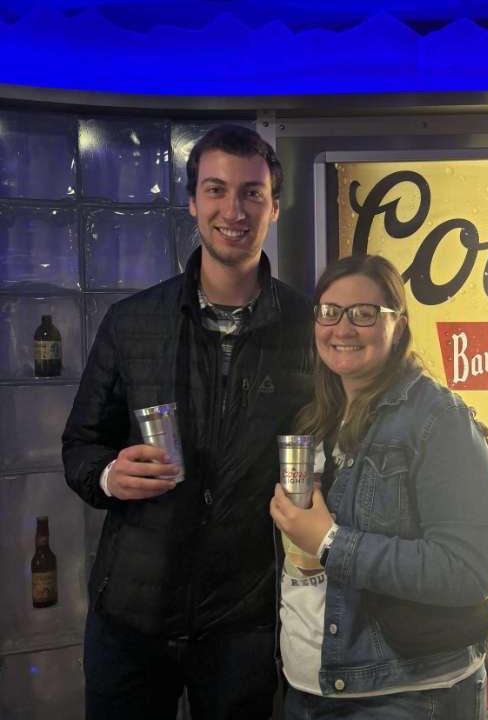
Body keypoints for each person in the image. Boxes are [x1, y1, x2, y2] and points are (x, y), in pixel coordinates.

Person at [62, 124, 313, 720]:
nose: (234, 210)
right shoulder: (132, 322)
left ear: (275, 206)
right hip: (131, 614)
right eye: (216, 190)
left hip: (243, 619)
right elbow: (80, 445)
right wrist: (108, 476)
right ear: (193, 202)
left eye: (252, 193)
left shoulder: (308, 328)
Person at [269, 254, 488, 720]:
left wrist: (330, 542)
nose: (343, 328)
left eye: (364, 313)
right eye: (330, 312)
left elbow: (466, 570)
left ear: (399, 325)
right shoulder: (317, 417)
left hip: (407, 695)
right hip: (309, 687)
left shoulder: (438, 419)